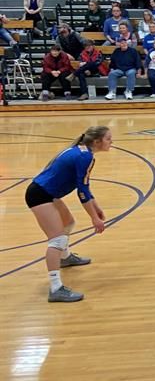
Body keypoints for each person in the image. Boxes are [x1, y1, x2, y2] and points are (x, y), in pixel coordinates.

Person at [24, 126, 111, 302]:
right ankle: (56, 288)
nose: (111, 142)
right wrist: (94, 217)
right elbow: (82, 192)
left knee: (68, 224)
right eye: (108, 139)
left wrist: (96, 206)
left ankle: (65, 258)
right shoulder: (85, 156)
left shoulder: (81, 151)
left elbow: (84, 186)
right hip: (40, 195)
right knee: (57, 239)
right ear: (97, 142)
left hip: (47, 192)